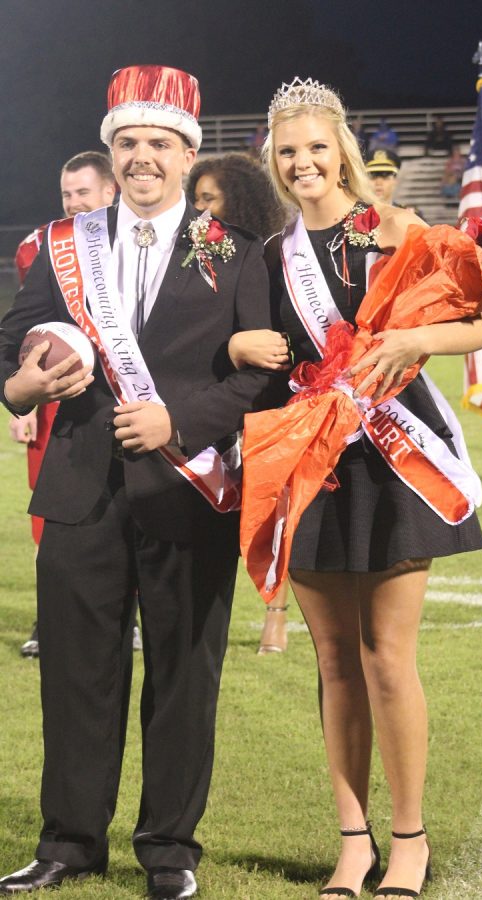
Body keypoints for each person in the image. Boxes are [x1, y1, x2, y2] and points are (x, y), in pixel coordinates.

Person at [0, 65, 280, 899]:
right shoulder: (63, 242)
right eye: (127, 142)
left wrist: (179, 421)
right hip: (81, 487)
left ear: (189, 155)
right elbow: (14, 337)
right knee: (77, 674)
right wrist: (18, 386)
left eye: (159, 143)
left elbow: (263, 374)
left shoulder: (236, 251)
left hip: (188, 487)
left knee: (183, 676)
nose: (141, 157)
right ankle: (69, 843)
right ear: (110, 149)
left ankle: (169, 849)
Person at [228, 76, 482, 900]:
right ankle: (354, 840)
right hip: (309, 456)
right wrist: (243, 343)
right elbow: (242, 349)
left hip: (392, 455)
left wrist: (416, 333)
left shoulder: (397, 229)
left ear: (341, 147)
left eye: (316, 147)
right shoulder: (270, 255)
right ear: (272, 163)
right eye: (288, 152)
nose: (304, 162)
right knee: (335, 662)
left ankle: (409, 840)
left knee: (388, 660)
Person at [10, 151, 118, 658]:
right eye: (67, 195)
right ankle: (48, 614)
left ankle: (128, 611)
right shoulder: (43, 246)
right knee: (50, 504)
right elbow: (28, 335)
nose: (74, 204)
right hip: (58, 396)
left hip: (125, 398)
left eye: (84, 193)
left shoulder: (140, 241)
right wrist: (25, 403)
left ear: (109, 192)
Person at [186, 152, 291, 655]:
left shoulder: (272, 252)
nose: (198, 209)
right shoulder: (194, 254)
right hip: (217, 399)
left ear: (241, 199)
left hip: (271, 395)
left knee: (277, 502)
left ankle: (277, 611)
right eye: (195, 199)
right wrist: (229, 348)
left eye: (209, 198)